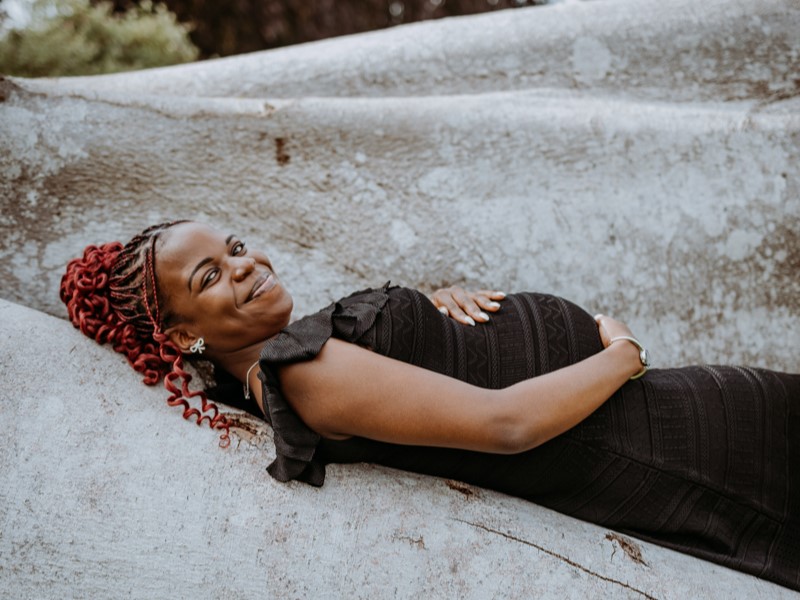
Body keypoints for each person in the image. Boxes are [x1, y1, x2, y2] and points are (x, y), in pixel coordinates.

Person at [60, 220, 799, 591]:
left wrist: (429, 315)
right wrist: (624, 355)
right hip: (674, 450)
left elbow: (424, 382)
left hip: (688, 425)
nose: (245, 266)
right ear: (183, 333)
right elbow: (504, 424)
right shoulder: (297, 376)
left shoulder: (302, 357)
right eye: (211, 275)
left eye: (238, 246)